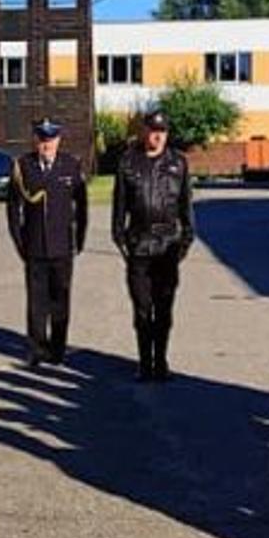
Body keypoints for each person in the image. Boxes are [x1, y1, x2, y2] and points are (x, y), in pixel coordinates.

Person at [111, 110, 194, 382]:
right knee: (142, 309)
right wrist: (123, 242)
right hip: (139, 246)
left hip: (167, 248)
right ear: (144, 131)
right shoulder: (128, 163)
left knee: (164, 309)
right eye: (153, 130)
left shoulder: (178, 163)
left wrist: (184, 243)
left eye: (163, 131)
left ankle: (161, 362)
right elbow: (119, 210)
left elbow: (186, 208)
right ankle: (145, 363)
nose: (157, 136)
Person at [7, 117, 89, 367]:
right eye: (42, 139)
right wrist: (19, 241)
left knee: (60, 300)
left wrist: (79, 240)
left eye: (51, 139)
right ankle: (37, 348)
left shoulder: (71, 166)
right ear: (36, 140)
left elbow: (82, 207)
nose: (46, 144)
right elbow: (13, 208)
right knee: (36, 301)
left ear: (58, 140)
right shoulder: (23, 167)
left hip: (62, 246)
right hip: (34, 246)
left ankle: (58, 349)